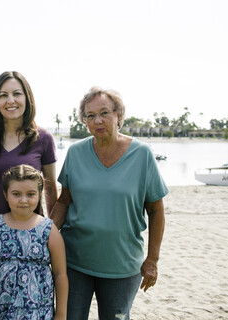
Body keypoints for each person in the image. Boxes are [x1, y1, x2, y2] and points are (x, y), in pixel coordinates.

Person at [50, 87, 169, 319]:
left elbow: (156, 210)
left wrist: (152, 259)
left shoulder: (142, 154)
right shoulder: (75, 153)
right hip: (75, 262)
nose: (97, 120)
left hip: (122, 266)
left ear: (118, 115)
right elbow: (64, 202)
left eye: (104, 113)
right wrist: (46, 237)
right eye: (90, 116)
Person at [0, 71, 57, 220]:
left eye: (17, 94)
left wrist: (52, 228)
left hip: (31, 232)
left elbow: (51, 191)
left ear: (27, 98)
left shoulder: (44, 138)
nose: (10, 100)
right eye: (3, 95)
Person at [0, 164, 68, 320]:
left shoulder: (49, 229)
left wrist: (61, 314)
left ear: (39, 195)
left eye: (30, 194)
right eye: (16, 194)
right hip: (0, 309)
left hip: (37, 310)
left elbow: (60, 274)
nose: (23, 200)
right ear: (5, 194)